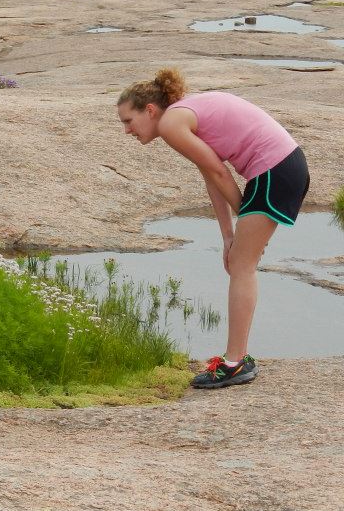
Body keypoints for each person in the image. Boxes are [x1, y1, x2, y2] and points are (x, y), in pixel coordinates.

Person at [116, 68, 309, 389]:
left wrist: (243, 219)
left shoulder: (171, 123)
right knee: (240, 261)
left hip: (274, 170)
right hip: (282, 167)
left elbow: (220, 173)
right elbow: (210, 175)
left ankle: (235, 363)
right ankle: (237, 358)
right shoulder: (182, 115)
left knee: (242, 266)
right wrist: (229, 235)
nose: (127, 131)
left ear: (149, 110)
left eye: (128, 121)